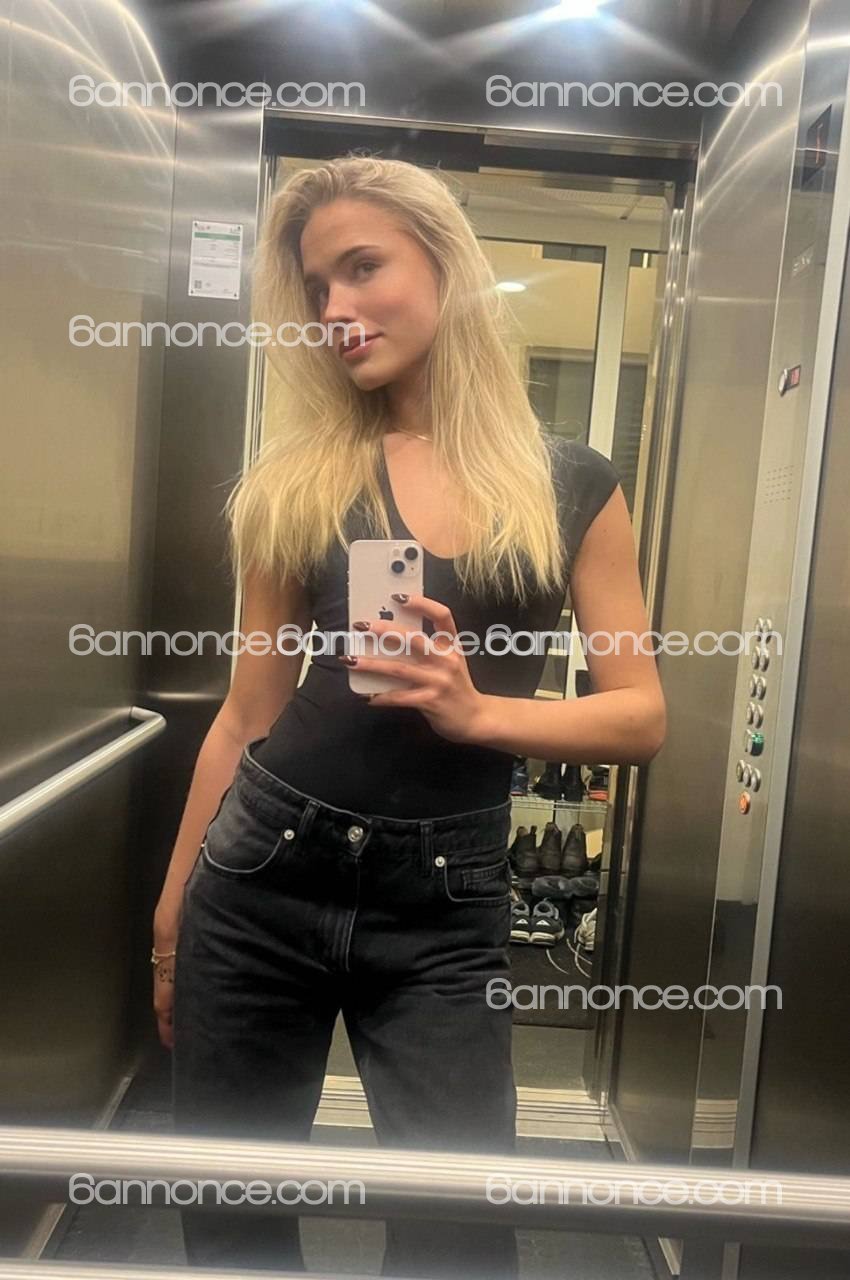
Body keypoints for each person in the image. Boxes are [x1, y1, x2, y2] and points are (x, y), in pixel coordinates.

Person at [152, 155, 666, 1277]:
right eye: (316, 288)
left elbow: (638, 718)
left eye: (361, 267)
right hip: (262, 871)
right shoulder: (299, 479)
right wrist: (172, 906)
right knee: (232, 1222)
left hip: (444, 904)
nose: (335, 308)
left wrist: (476, 713)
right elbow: (247, 712)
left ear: (445, 264)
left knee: (458, 1234)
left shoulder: (570, 484)